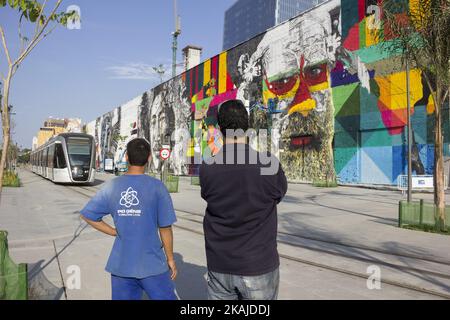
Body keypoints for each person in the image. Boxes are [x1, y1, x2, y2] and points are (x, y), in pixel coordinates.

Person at [199, 100, 288, 300]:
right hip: (258, 264)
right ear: (248, 129)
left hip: (219, 264)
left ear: (220, 129)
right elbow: (278, 195)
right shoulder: (268, 164)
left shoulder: (207, 167)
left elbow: (208, 196)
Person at [80, 138, 178, 300]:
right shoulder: (157, 187)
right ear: (149, 158)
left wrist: (113, 231)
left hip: (121, 266)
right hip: (152, 265)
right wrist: (170, 259)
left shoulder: (112, 186)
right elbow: (165, 228)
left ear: (126, 157)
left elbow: (88, 215)